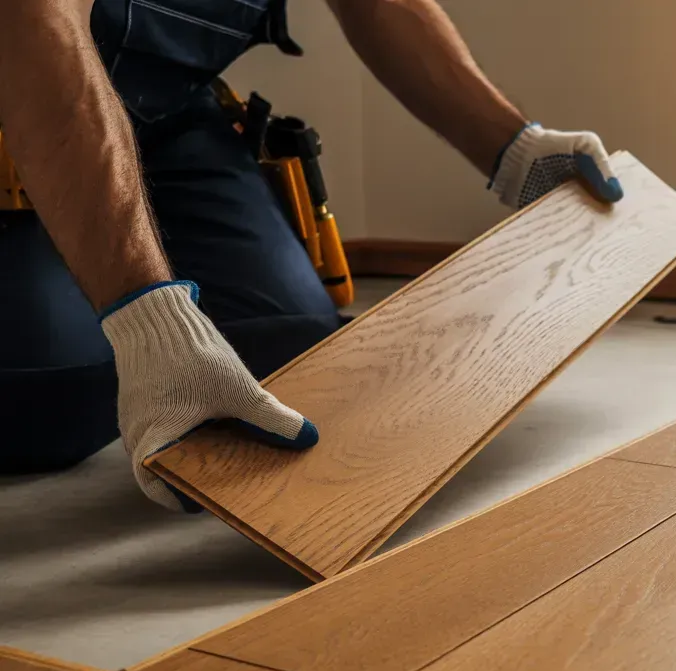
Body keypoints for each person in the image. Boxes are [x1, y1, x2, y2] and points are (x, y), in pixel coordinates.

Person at [0, 0, 623, 510]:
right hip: (21, 80)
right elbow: (32, 20)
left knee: (292, 351)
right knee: (52, 408)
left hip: (164, 108)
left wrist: (514, 152)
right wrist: (148, 322)